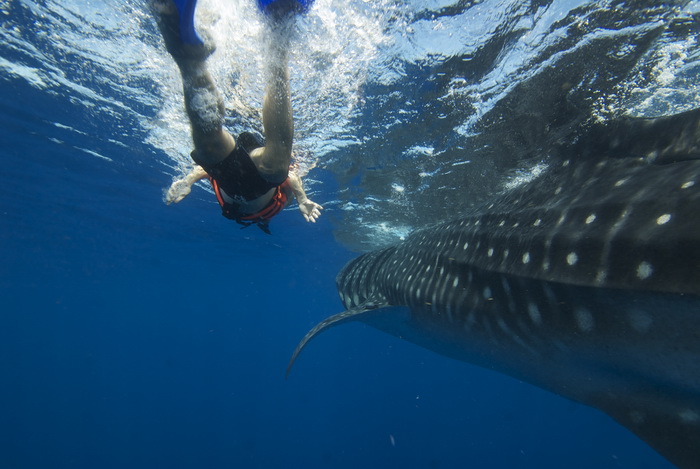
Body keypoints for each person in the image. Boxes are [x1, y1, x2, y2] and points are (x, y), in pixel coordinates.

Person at [153, 0, 323, 234]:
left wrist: (187, 181)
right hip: (263, 178)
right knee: (276, 168)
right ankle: (277, 35)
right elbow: (292, 178)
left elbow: (203, 171)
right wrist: (303, 200)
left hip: (229, 180)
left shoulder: (252, 212)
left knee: (208, 149)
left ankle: (189, 59)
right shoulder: (273, 210)